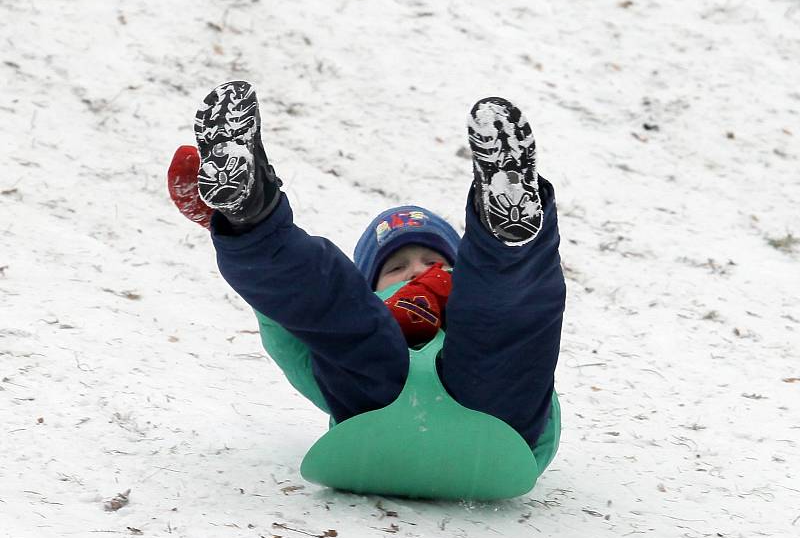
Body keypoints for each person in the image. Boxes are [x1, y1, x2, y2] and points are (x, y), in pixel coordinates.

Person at [167, 80, 566, 454]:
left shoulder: (475, 310)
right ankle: (252, 210)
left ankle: (506, 234)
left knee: (503, 315)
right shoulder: (360, 323)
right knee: (337, 313)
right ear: (370, 283)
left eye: (433, 262)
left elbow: (523, 335)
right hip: (377, 400)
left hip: (494, 414)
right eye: (396, 266)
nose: (415, 272)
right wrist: (239, 231)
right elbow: (291, 311)